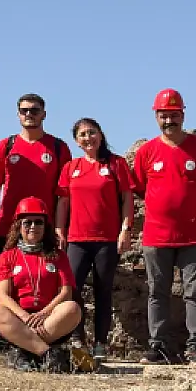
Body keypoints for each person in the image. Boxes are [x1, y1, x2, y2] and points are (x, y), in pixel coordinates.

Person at [131, 89, 196, 364]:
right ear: (156, 116)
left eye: (173, 114)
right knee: (157, 291)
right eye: (163, 115)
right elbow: (138, 187)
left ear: (182, 114)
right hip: (157, 235)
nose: (169, 120)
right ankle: (158, 346)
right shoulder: (146, 152)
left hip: (195, 236)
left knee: (195, 292)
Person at [54, 118, 133, 359]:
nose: (88, 138)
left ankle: (100, 343)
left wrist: (125, 229)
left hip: (106, 239)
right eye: (82, 135)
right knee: (72, 290)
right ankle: (76, 338)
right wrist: (59, 230)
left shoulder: (115, 164)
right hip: (77, 239)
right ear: (77, 141)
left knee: (103, 291)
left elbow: (127, 198)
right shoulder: (71, 167)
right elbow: (63, 201)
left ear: (100, 135)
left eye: (92, 133)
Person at [0, 197, 83, 372]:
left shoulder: (58, 256)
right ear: (18, 226)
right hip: (19, 319)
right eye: (27, 222)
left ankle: (24, 349)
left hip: (48, 320)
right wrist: (24, 317)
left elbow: (66, 292)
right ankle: (47, 353)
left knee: (72, 308)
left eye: (38, 222)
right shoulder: (7, 257)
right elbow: (3, 296)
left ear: (45, 226)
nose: (33, 227)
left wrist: (44, 314)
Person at [0, 93, 71, 263]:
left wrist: (59, 228)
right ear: (18, 114)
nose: (29, 114)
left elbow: (64, 194)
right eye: (24, 110)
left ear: (44, 114)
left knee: (45, 283)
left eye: (35, 110)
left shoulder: (58, 148)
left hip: (45, 230)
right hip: (7, 227)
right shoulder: (6, 146)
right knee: (3, 284)